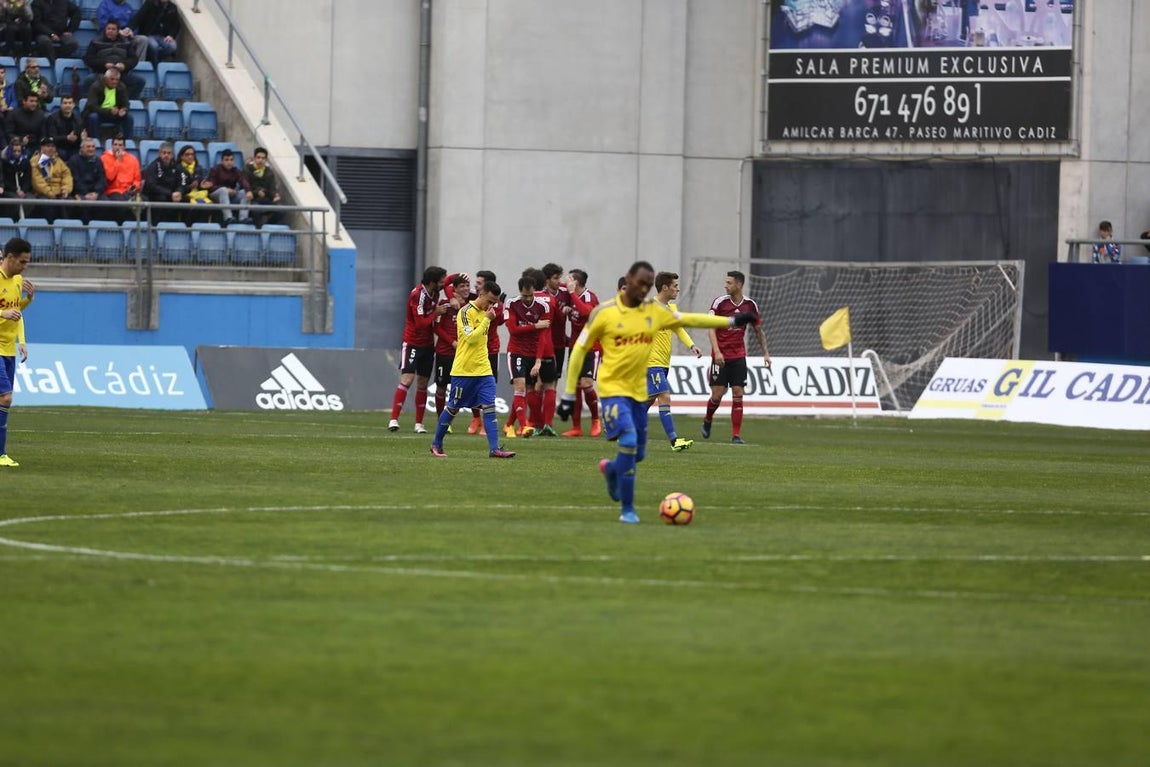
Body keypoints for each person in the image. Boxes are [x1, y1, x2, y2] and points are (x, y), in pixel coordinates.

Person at [557, 260, 757, 523]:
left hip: (639, 391)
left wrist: (732, 320)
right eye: (640, 283)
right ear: (628, 280)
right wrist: (569, 394)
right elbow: (580, 349)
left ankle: (612, 469)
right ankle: (628, 510)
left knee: (638, 454)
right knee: (628, 442)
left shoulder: (655, 311)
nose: (643, 289)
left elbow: (689, 319)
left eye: (647, 285)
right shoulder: (603, 312)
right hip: (612, 391)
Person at [429, 279, 516, 459]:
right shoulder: (465, 312)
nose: (491, 305)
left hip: (483, 370)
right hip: (464, 371)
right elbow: (471, 338)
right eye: (490, 301)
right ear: (482, 294)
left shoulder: (486, 313)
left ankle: (495, 449)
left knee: (489, 407)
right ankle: (436, 444)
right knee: (453, 408)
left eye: (494, 303)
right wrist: (486, 320)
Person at [701, 270, 770, 445]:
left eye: (729, 283)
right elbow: (710, 328)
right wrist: (716, 351)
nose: (726, 285)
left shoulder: (750, 305)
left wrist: (766, 353)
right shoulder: (720, 303)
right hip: (720, 356)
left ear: (739, 285)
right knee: (717, 396)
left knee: (738, 393)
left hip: (738, 356)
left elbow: (758, 331)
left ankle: (736, 435)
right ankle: (708, 419)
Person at [646, 271, 702, 452]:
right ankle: (674, 441)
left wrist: (692, 346)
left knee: (648, 400)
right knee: (665, 396)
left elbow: (679, 330)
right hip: (650, 361)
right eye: (675, 286)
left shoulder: (673, 309)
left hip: (664, 362)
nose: (678, 289)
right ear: (665, 287)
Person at [389, 265, 448, 434]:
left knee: (422, 383)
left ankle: (418, 424)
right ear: (432, 282)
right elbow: (421, 323)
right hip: (413, 342)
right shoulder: (417, 295)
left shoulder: (435, 291)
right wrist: (435, 313)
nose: (444, 283)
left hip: (428, 345)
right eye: (441, 280)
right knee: (407, 380)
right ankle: (394, 419)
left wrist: (461, 276)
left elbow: (450, 281)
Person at [502, 273, 553, 439]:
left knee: (522, 392)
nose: (527, 299)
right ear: (519, 292)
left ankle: (509, 424)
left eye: (530, 295)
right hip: (516, 351)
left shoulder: (542, 307)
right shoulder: (512, 304)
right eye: (524, 295)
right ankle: (524, 426)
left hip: (532, 354)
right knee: (520, 388)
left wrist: (538, 361)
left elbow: (542, 337)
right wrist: (535, 325)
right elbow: (513, 330)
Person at [0, 236, 34, 468]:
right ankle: (1, 454)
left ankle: (1, 453)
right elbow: (6, 313)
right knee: (6, 397)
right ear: (9, 257)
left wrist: (22, 340)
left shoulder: (19, 281)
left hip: (9, 348)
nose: (24, 266)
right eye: (22, 262)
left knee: (3, 400)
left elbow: (16, 312)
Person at [559, 268, 601, 437]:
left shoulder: (589, 297)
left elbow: (586, 312)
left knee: (586, 384)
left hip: (592, 348)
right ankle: (576, 427)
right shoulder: (571, 294)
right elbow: (556, 284)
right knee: (574, 387)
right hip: (575, 348)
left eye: (569, 279)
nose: (566, 281)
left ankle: (595, 420)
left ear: (575, 283)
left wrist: (572, 295)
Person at [466, 269, 503, 435]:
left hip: (491, 349)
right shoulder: (472, 304)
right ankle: (476, 419)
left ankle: (487, 422)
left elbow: (500, 321)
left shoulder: (496, 305)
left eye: (479, 283)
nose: (475, 286)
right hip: (474, 350)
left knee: (489, 386)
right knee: (473, 386)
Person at [432, 273, 469, 418]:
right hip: (444, 352)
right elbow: (437, 328)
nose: (466, 289)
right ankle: (441, 419)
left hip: (462, 355)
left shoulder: (469, 308)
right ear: (454, 289)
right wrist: (453, 342)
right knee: (441, 388)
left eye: (467, 285)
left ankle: (449, 419)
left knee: (459, 389)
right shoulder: (444, 304)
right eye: (462, 286)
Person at [82, 18, 145, 100]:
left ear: (118, 31)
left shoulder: (126, 43)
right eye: (108, 29)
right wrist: (104, 64)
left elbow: (133, 59)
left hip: (120, 74)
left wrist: (124, 65)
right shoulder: (95, 42)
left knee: (140, 82)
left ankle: (124, 102)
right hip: (102, 73)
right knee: (89, 80)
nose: (110, 31)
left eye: (113, 29)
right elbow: (89, 59)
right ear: (105, 29)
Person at [83, 67, 134, 140]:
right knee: (93, 117)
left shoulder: (121, 87)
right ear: (105, 79)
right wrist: (109, 111)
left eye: (117, 80)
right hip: (100, 114)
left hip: (115, 114)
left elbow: (126, 103)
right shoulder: (96, 87)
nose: (114, 82)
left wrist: (124, 110)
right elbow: (92, 106)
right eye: (112, 79)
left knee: (129, 117)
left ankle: (128, 142)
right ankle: (95, 141)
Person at [29, 135, 71, 220]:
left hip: (59, 193)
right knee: (48, 205)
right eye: (48, 146)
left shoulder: (59, 161)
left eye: (53, 146)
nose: (51, 148)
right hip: (43, 193)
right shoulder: (35, 161)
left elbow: (67, 176)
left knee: (69, 204)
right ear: (42, 147)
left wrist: (65, 189)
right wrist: (49, 193)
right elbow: (37, 181)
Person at [205, 148, 251, 224]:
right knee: (223, 190)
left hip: (230, 196)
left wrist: (248, 191)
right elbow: (211, 187)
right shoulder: (215, 170)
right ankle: (228, 218)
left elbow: (243, 180)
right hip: (215, 195)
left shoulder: (236, 170)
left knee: (244, 192)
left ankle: (243, 218)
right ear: (222, 161)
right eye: (226, 160)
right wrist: (226, 189)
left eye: (231, 160)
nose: (229, 162)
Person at [100, 133, 140, 219]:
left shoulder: (133, 159)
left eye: (120, 145)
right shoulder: (104, 158)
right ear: (112, 146)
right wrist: (118, 161)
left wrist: (134, 187)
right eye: (115, 144)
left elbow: (137, 180)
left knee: (145, 202)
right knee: (121, 203)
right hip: (113, 191)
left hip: (130, 192)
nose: (118, 147)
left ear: (124, 147)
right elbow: (109, 177)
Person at [66, 136, 106, 220]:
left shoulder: (98, 161)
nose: (91, 149)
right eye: (88, 147)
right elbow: (75, 181)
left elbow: (102, 180)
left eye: (93, 146)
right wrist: (86, 194)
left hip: (95, 193)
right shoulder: (73, 160)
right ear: (82, 148)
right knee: (83, 206)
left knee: (106, 204)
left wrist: (96, 193)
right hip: (79, 192)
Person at [128, 0, 179, 65]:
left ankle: (158, 58)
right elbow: (139, 16)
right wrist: (130, 28)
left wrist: (171, 35)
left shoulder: (173, 7)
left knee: (172, 46)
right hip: (149, 34)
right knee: (154, 46)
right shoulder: (150, 3)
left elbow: (176, 24)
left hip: (163, 36)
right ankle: (155, 63)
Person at [243, 146, 281, 227]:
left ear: (266, 160)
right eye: (258, 157)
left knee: (281, 210)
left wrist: (275, 195)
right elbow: (245, 185)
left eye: (263, 158)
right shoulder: (247, 169)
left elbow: (272, 188)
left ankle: (266, 226)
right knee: (256, 210)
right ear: (254, 158)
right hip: (252, 198)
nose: (260, 160)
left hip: (265, 198)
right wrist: (257, 192)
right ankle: (258, 230)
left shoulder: (269, 172)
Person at [141, 140, 180, 216]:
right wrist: (170, 193)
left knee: (184, 199)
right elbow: (152, 186)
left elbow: (181, 180)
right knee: (162, 198)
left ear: (172, 155)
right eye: (164, 153)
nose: (166, 155)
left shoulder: (177, 166)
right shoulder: (153, 166)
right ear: (159, 154)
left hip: (171, 194)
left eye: (169, 153)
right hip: (154, 195)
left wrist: (179, 191)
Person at [44, 93, 85, 160]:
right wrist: (67, 138)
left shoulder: (78, 119)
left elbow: (81, 135)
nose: (68, 105)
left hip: (74, 148)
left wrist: (82, 138)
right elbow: (52, 138)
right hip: (58, 148)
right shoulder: (52, 118)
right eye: (65, 103)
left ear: (73, 105)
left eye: (70, 103)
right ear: (61, 105)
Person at [0, 135, 32, 204]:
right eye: (14, 151)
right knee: (14, 200)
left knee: (31, 199)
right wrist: (16, 190)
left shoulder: (25, 162)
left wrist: (23, 190)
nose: (17, 153)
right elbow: (4, 179)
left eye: (19, 151)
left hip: (23, 191)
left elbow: (27, 178)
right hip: (9, 190)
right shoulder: (4, 162)